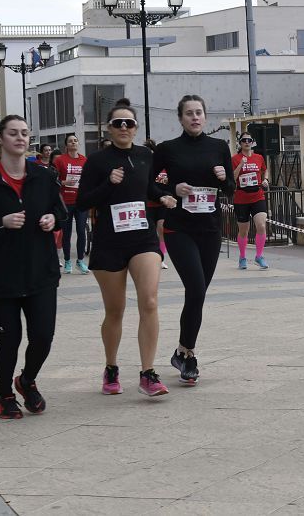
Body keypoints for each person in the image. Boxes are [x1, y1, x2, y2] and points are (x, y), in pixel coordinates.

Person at [0, 115, 66, 419]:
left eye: (24, 133)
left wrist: (52, 220)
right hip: (0, 279)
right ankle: (5, 395)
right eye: (13, 133)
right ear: (0, 138)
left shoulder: (44, 177)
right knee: (9, 339)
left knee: (43, 336)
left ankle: (27, 380)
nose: (20, 138)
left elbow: (61, 213)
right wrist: (1, 224)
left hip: (40, 273)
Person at [77, 99, 176, 397]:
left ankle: (148, 373)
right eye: (118, 123)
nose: (123, 127)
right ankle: (111, 367)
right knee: (115, 310)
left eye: (128, 123)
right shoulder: (97, 161)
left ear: (135, 128)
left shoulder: (146, 156)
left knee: (149, 301)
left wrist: (165, 196)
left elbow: (147, 188)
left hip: (142, 238)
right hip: (109, 241)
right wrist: (108, 183)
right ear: (109, 128)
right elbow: (82, 201)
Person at [153, 95, 234, 385]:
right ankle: (189, 355)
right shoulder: (167, 149)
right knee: (196, 288)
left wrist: (224, 178)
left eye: (199, 112)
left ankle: (182, 351)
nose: (195, 117)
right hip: (179, 229)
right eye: (189, 113)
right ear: (180, 118)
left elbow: (231, 189)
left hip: (210, 230)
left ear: (205, 116)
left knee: (197, 295)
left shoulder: (219, 147)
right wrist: (173, 188)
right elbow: (150, 184)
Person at [232, 132, 270, 270]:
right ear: (240, 143)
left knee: (261, 226)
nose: (247, 142)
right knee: (243, 231)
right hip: (241, 198)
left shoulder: (258, 157)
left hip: (257, 196)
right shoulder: (235, 159)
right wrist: (241, 164)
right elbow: (232, 177)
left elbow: (265, 170)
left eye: (249, 140)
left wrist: (265, 179)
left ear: (252, 142)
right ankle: (242, 257)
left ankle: (259, 256)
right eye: (244, 140)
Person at [54, 135, 89, 274]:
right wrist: (63, 182)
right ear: (66, 145)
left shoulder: (84, 160)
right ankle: (67, 260)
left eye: (75, 140)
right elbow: (53, 178)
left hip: (80, 201)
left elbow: (88, 178)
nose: (73, 142)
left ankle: (80, 261)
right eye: (70, 141)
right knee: (66, 233)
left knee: (81, 231)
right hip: (65, 202)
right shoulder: (60, 160)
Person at [144, 139, 169, 270]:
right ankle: (151, 257)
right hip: (148, 205)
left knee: (162, 229)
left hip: (162, 204)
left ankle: (161, 258)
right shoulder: (144, 168)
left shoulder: (165, 168)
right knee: (151, 233)